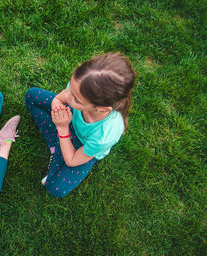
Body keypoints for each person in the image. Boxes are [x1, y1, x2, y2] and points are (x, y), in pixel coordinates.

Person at [25, 52, 135, 198]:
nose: (68, 95)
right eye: (71, 88)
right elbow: (59, 99)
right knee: (32, 95)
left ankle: (59, 145)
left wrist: (63, 128)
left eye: (76, 99)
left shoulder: (104, 135)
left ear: (101, 108)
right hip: (68, 119)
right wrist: (59, 107)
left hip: (82, 147)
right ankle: (58, 147)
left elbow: (71, 161)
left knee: (55, 188)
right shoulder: (80, 86)